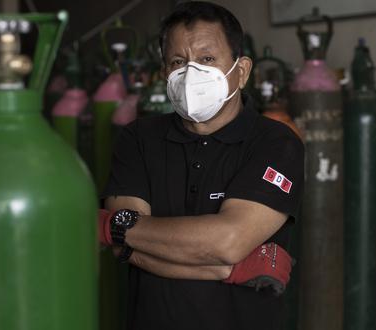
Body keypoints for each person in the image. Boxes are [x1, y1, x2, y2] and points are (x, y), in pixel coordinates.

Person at [98, 2, 304, 329]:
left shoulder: (276, 142)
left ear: (242, 70)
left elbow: (228, 242)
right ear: (165, 72)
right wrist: (229, 267)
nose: (191, 73)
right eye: (178, 62)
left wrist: (114, 227)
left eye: (207, 59)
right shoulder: (138, 138)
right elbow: (123, 249)